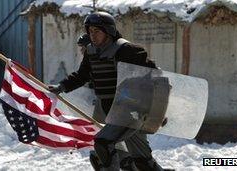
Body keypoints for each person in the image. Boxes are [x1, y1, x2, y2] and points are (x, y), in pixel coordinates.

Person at [48, 12, 163, 170]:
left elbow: (155, 78)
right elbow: (82, 75)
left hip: (131, 111)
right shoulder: (91, 51)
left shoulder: (127, 50)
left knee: (103, 143)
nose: (92, 35)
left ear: (108, 31)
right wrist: (61, 86)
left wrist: (157, 112)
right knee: (142, 162)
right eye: (90, 31)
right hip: (111, 110)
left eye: (97, 31)